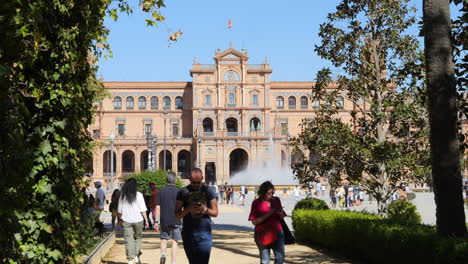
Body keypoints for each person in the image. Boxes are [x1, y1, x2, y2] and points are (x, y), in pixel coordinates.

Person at [175, 168, 218, 264]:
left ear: (202, 178)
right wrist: (188, 209)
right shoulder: (183, 192)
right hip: (188, 233)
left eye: (198, 182)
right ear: (189, 178)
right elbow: (177, 215)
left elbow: (215, 212)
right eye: (193, 182)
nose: (196, 185)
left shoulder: (208, 191)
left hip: (204, 233)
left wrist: (205, 209)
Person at [248, 181, 286, 264]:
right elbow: (254, 222)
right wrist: (270, 213)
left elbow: (281, 215)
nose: (271, 195)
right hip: (262, 234)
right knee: (265, 260)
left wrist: (281, 214)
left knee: (280, 257)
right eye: (268, 193)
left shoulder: (276, 200)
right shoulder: (256, 203)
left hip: (277, 232)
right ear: (262, 192)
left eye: (272, 193)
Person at [118, 178, 149, 264]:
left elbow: (119, 211)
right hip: (138, 220)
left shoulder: (122, 195)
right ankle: (136, 256)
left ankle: (130, 259)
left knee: (128, 239)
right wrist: (146, 220)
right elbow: (143, 209)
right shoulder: (139, 195)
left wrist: (120, 220)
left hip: (126, 220)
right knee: (138, 238)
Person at [154, 172, 181, 264]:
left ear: (166, 180)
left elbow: (157, 207)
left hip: (164, 219)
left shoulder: (161, 191)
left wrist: (156, 222)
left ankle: (163, 254)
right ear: (175, 180)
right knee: (174, 240)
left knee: (164, 238)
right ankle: (173, 262)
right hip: (176, 219)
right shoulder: (179, 191)